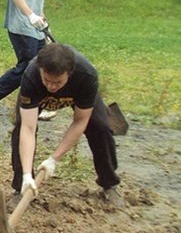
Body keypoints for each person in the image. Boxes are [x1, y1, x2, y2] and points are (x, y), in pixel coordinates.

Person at [9, 43, 124, 208]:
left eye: (58, 82)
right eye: (47, 80)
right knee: (20, 129)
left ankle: (109, 183)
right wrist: (28, 173)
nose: (51, 86)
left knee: (100, 127)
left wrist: (54, 159)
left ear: (69, 74)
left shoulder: (87, 75)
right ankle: (22, 187)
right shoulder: (31, 76)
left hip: (79, 92)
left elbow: (80, 121)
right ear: (40, 69)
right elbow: (28, 128)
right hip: (35, 96)